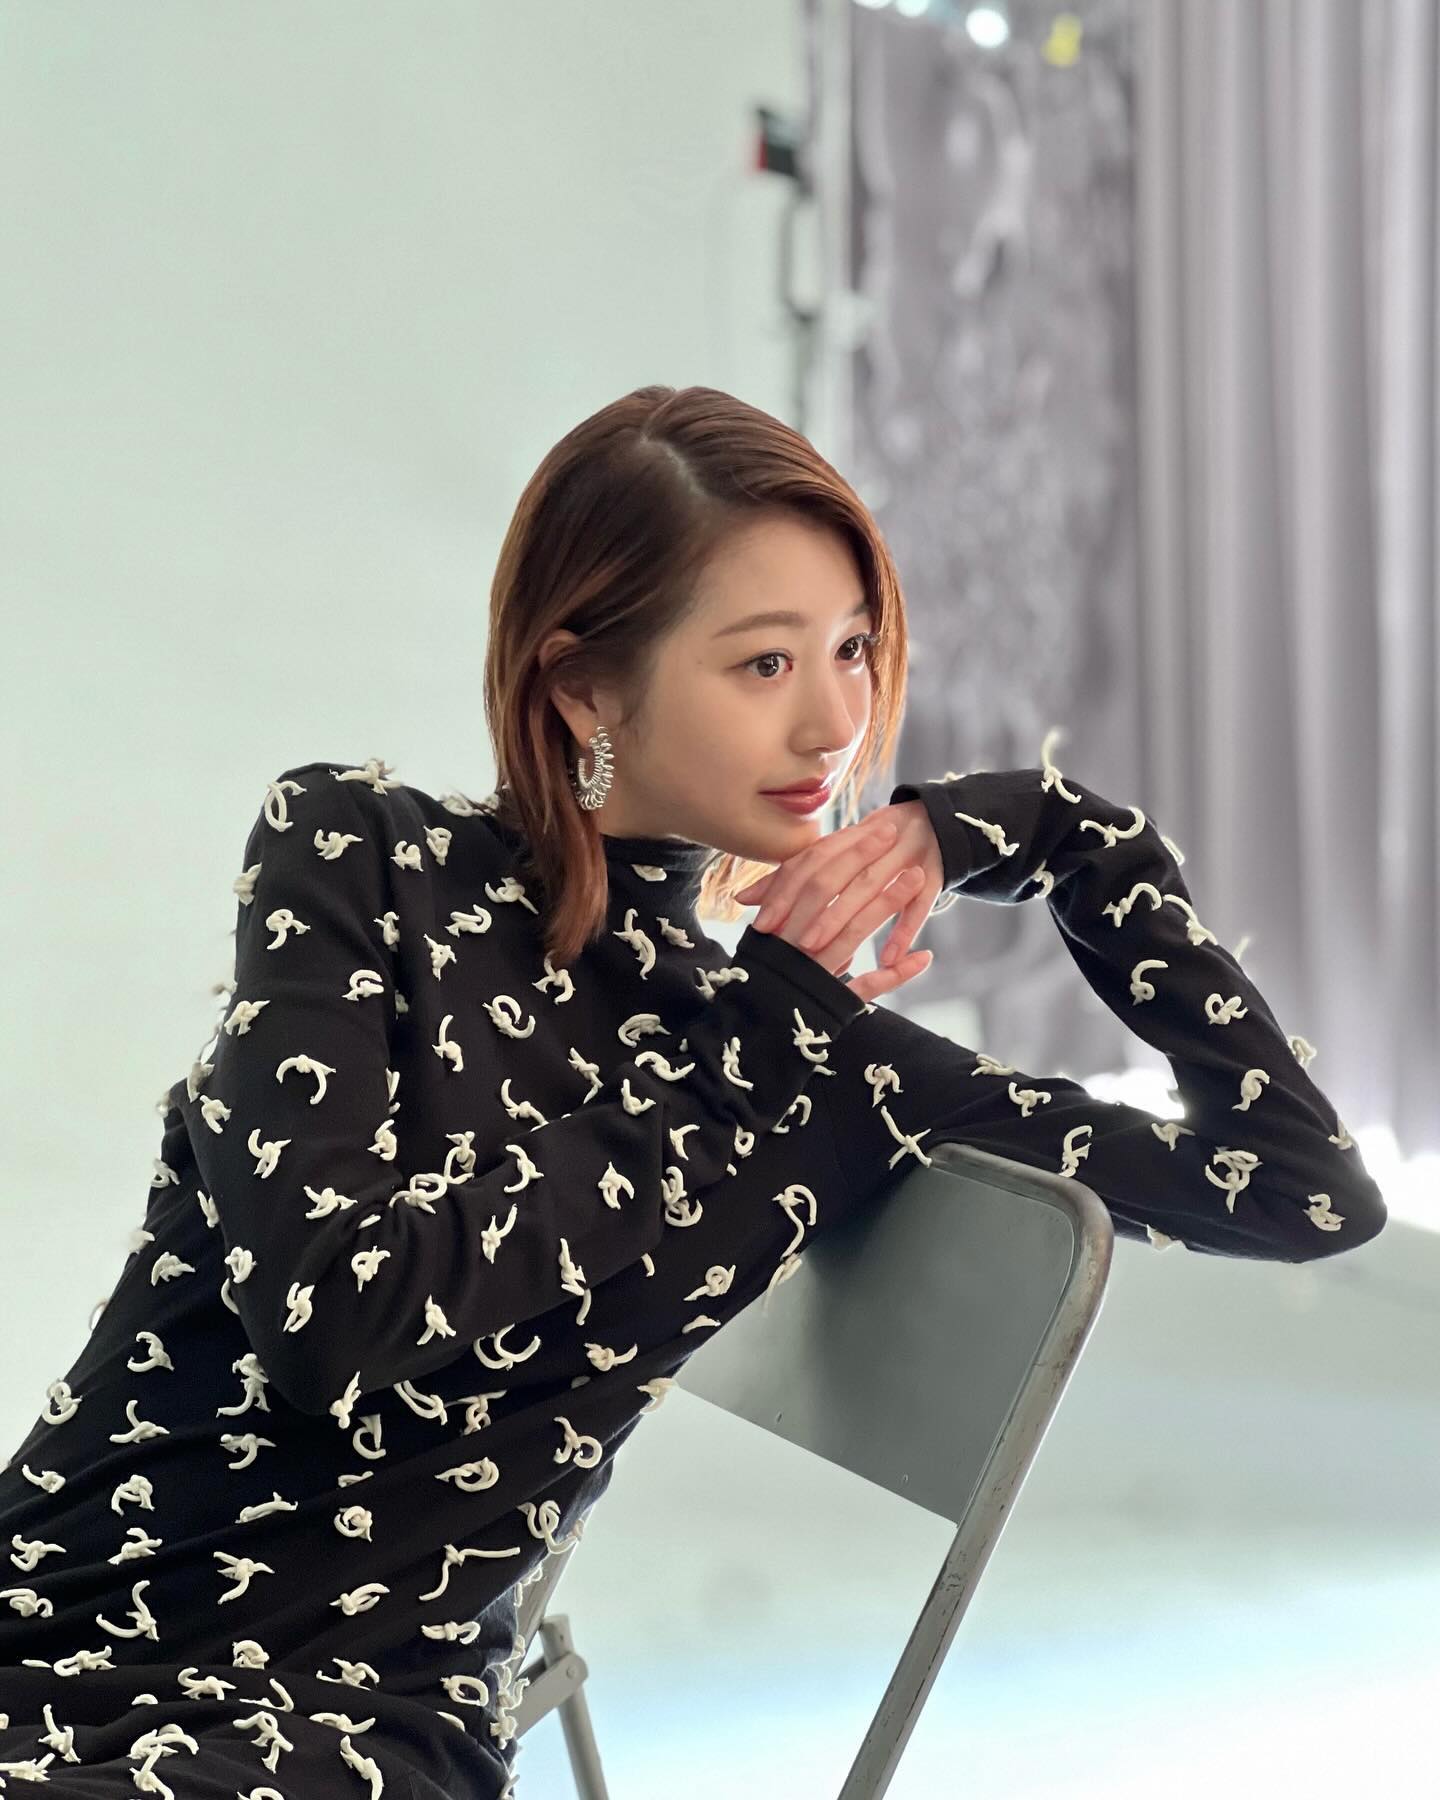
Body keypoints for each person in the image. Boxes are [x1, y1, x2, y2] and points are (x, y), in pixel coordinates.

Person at [0, 385, 1387, 1799]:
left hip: (338, 1726)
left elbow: (1304, 1190)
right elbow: (333, 1319)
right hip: (47, 1617)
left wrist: (1057, 838)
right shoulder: (357, 855)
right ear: (584, 688)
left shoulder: (827, 1067)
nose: (836, 723)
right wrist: (754, 1046)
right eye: (765, 664)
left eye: (854, 647)